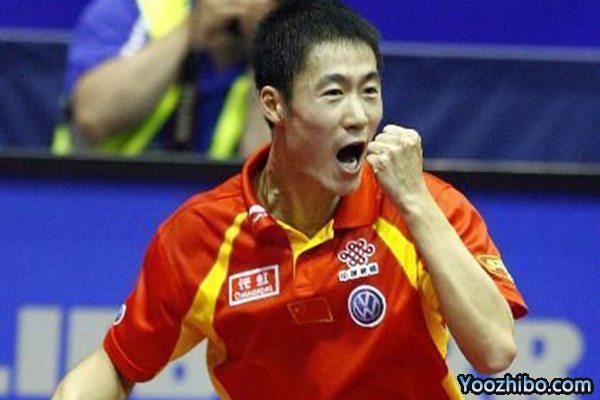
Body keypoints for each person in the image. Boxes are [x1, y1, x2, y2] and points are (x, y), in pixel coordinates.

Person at [52, 1, 528, 398]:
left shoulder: (428, 208)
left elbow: (495, 350)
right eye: (334, 93)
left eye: (370, 91)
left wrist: (416, 204)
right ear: (274, 105)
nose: (359, 116)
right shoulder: (201, 235)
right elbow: (116, 365)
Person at [51, 0, 279, 158]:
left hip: (219, 211)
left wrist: (264, 56)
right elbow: (93, 115)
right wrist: (189, 31)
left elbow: (271, 190)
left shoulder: (288, 40)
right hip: (106, 199)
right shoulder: (139, 10)